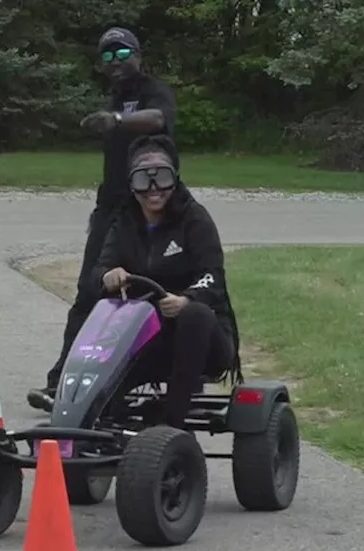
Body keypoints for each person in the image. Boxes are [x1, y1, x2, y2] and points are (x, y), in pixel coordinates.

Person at [27, 26, 178, 411]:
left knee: (151, 291)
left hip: (152, 205)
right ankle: (62, 382)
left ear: (138, 54)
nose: (115, 62)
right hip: (111, 208)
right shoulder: (116, 96)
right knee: (90, 292)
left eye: (121, 53)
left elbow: (158, 119)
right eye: (107, 56)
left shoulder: (152, 91)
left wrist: (117, 120)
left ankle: (158, 379)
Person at [90, 134, 243, 429]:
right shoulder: (124, 223)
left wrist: (187, 299)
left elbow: (214, 276)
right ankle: (95, 419)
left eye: (161, 178)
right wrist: (107, 276)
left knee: (194, 315)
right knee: (103, 313)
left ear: (174, 179)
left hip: (205, 339)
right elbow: (97, 273)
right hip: (147, 335)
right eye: (142, 181)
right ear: (131, 184)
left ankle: (172, 422)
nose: (153, 190)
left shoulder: (194, 219)